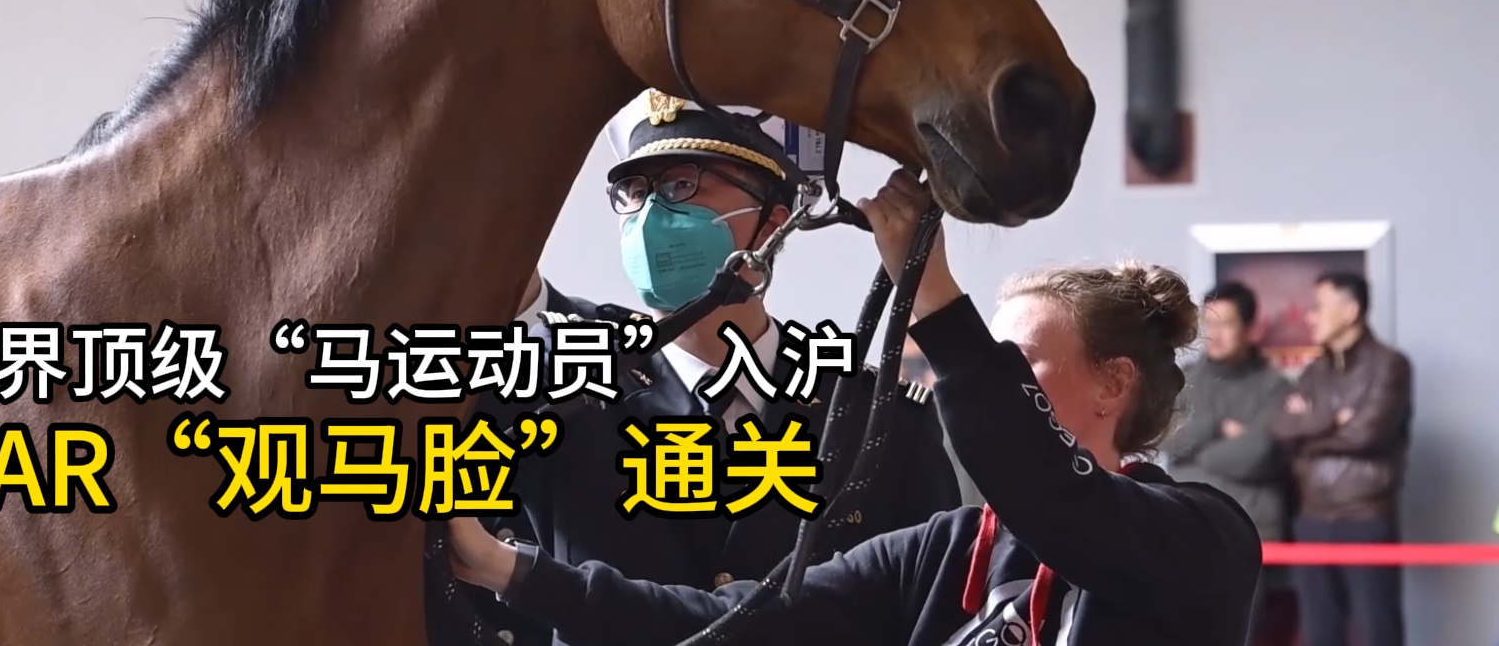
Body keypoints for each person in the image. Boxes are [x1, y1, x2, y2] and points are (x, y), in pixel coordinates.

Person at [448, 171, 1263, 645]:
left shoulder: (1202, 537)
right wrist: (508, 568)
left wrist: (934, 299)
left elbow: (1052, 495)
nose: (983, 380)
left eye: (1014, 361)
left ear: (1113, 384)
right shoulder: (946, 551)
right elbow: (732, 624)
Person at [451, 93, 961, 646]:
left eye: (682, 185)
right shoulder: (560, 382)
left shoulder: (878, 419)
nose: (651, 214)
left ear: (770, 224)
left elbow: (936, 610)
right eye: (635, 192)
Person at [1268, 271, 1413, 646]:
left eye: (1319, 307)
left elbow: (1366, 434)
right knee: (1319, 634)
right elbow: (1281, 427)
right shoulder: (1314, 371)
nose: (1310, 316)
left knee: (1377, 631)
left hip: (1365, 517)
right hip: (1311, 517)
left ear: (1350, 311)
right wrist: (1333, 419)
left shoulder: (1389, 365)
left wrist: (1308, 428)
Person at [1165, 280, 1291, 645]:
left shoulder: (1275, 386)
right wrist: (1219, 428)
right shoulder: (1183, 380)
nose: (1214, 334)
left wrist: (1199, 451)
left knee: (1240, 635)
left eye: (1226, 324)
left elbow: (1261, 454)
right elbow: (1167, 438)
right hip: (1186, 526)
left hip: (1250, 530)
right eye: (1209, 324)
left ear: (1250, 328)